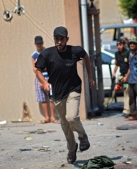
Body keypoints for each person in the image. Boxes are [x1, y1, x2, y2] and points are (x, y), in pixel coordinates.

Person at [35, 26, 95, 164]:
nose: (59, 42)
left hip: (73, 88)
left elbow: (86, 56)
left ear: (66, 39)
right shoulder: (47, 54)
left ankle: (82, 136)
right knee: (65, 123)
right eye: (57, 39)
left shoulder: (75, 51)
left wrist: (90, 76)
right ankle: (72, 148)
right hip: (57, 94)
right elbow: (38, 70)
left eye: (62, 39)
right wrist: (44, 82)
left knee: (72, 117)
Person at [31, 36, 58, 124]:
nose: (39, 45)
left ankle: (53, 117)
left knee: (51, 97)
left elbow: (50, 66)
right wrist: (40, 80)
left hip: (49, 77)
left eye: (40, 43)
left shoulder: (48, 52)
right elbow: (34, 69)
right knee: (42, 98)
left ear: (43, 43)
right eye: (37, 43)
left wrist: (40, 67)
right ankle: (47, 117)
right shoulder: (34, 55)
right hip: (39, 78)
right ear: (35, 44)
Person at [112, 39, 130, 117]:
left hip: (128, 75)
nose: (119, 47)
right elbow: (117, 64)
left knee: (128, 92)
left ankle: (128, 109)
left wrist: (127, 76)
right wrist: (114, 72)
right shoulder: (117, 54)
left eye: (120, 45)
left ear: (124, 45)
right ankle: (125, 108)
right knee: (124, 92)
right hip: (122, 75)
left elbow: (130, 66)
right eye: (117, 45)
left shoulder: (128, 53)